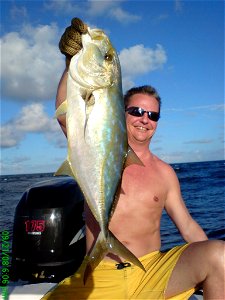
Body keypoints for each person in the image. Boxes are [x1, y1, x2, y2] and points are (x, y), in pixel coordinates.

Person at [42, 18, 225, 300]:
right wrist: (71, 62)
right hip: (100, 273)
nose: (144, 119)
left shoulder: (165, 173)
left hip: (151, 270)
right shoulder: (95, 146)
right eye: (137, 111)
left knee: (220, 255)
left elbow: (187, 225)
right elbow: (69, 116)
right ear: (120, 111)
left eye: (152, 115)